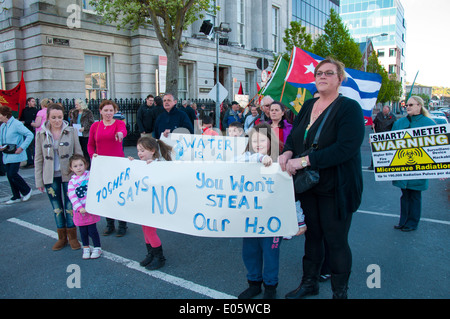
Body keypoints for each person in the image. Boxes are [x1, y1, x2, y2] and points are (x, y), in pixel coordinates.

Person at [279, 58, 365, 299]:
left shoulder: (349, 108)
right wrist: (287, 151)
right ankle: (309, 283)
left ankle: (340, 293)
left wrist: (303, 161)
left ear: (340, 79)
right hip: (309, 185)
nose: (322, 77)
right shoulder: (308, 105)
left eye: (329, 73)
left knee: (335, 240)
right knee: (313, 236)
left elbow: (346, 148)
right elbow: (296, 136)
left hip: (337, 186)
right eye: (319, 73)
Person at [235, 123, 306, 299]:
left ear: (270, 141)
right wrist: (258, 158)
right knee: (250, 252)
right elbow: (236, 162)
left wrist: (300, 220)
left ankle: (270, 287)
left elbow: (291, 195)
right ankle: (254, 283)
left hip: (273, 221)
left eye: (262, 140)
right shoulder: (246, 159)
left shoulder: (280, 163)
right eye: (254, 140)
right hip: (251, 219)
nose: (258, 143)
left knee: (271, 254)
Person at [35, 103, 83, 250]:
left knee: (70, 206)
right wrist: (39, 181)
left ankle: (73, 237)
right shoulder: (41, 134)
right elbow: (38, 158)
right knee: (57, 208)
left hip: (68, 176)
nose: (57, 120)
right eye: (54, 117)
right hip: (50, 176)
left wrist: (81, 175)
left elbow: (78, 153)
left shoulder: (71, 131)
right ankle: (62, 238)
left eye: (60, 117)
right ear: (48, 117)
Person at [128, 136, 173, 270]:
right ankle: (151, 253)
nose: (139, 153)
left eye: (142, 150)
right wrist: (131, 163)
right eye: (138, 150)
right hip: (144, 203)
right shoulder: (142, 163)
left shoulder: (159, 163)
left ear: (152, 150)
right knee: (145, 229)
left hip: (153, 205)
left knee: (150, 231)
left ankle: (159, 257)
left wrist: (153, 167)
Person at [391, 96, 435, 232]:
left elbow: (437, 147)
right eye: (406, 105)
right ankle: (403, 221)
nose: (407, 107)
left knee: (415, 196)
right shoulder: (400, 122)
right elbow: (390, 143)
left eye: (411, 105)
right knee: (405, 195)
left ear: (419, 106)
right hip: (402, 167)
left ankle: (412, 223)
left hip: (419, 168)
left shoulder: (429, 123)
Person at [88, 100, 128, 236]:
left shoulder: (119, 123)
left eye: (111, 110)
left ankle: (122, 224)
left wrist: (121, 134)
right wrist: (93, 156)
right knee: (106, 195)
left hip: (117, 164)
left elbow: (123, 131)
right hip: (102, 165)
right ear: (101, 111)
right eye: (106, 110)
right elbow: (90, 144)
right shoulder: (95, 126)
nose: (108, 113)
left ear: (115, 111)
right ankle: (110, 223)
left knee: (119, 194)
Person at [67, 154, 102, 259]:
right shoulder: (72, 182)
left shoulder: (90, 175)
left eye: (81, 165)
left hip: (90, 209)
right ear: (71, 168)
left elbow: (99, 176)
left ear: (85, 165)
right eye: (75, 166)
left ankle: (97, 247)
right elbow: (72, 196)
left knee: (92, 230)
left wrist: (96, 158)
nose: (79, 168)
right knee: (83, 231)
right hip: (80, 212)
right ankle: (86, 247)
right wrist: (79, 208)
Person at [0, 105, 34, 204]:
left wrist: (22, 147)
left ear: (5, 115)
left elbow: (29, 134)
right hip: (6, 153)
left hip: (16, 153)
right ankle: (16, 196)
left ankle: (26, 190)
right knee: (9, 176)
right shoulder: (2, 126)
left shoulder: (16, 124)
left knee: (12, 174)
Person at [368, 105, 397, 170]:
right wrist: (373, 125)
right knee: (375, 150)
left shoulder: (393, 117)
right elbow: (374, 122)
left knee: (387, 151)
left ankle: (387, 165)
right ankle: (372, 165)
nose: (384, 111)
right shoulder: (379, 115)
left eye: (386, 110)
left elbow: (395, 127)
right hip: (378, 134)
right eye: (384, 109)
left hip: (387, 135)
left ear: (388, 110)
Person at [69, 99, 94, 165]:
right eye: (75, 105)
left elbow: (91, 123)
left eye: (77, 104)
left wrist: (84, 128)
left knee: (85, 151)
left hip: (85, 135)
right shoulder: (74, 112)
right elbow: (71, 122)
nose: (76, 106)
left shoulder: (88, 112)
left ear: (81, 104)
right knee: (77, 151)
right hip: (76, 134)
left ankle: (87, 165)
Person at [19, 97, 39, 167]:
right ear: (28, 102)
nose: (34, 103)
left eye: (34, 101)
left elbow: (35, 121)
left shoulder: (36, 111)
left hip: (33, 130)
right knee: (26, 146)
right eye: (32, 101)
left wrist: (26, 122)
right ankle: (29, 161)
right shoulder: (24, 110)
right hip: (26, 130)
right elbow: (21, 120)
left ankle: (35, 161)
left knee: (34, 146)